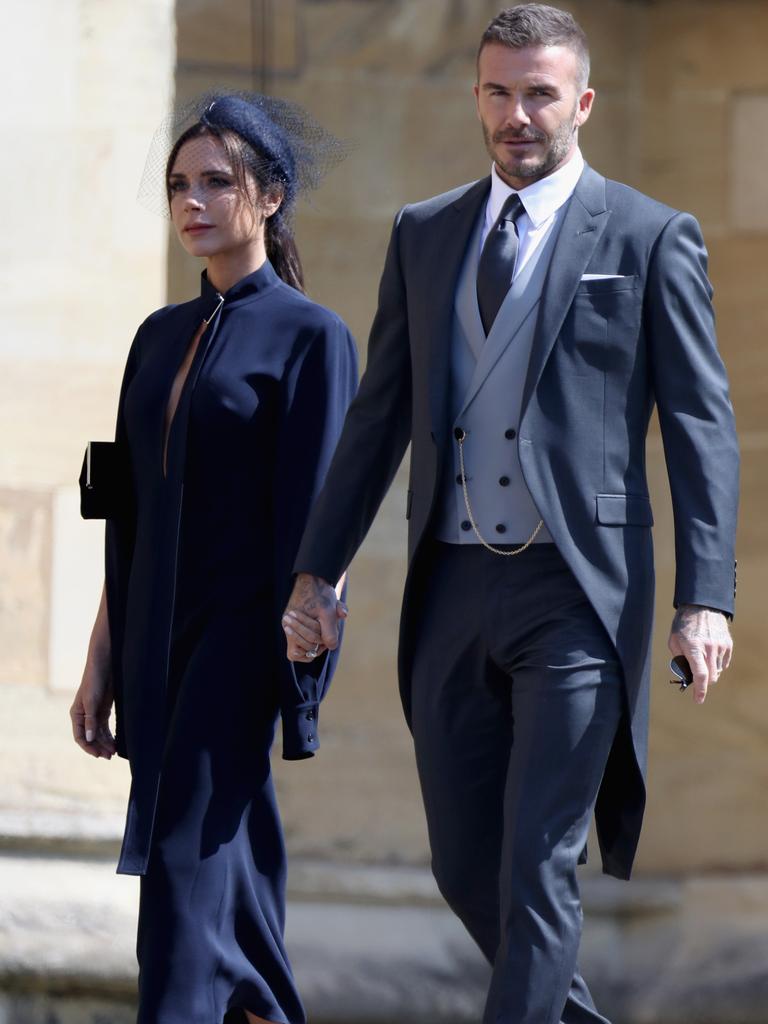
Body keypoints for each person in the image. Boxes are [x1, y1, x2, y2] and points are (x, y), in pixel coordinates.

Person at [282, 5, 739, 1023]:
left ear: (582, 100)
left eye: (539, 93)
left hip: (577, 591)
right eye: (498, 91)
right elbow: (378, 417)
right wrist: (317, 568)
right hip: (452, 582)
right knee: (462, 859)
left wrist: (706, 599)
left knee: (539, 861)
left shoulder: (651, 236)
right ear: (477, 96)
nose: (517, 114)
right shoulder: (425, 232)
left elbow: (703, 427)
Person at [70, 92, 357, 1024]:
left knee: (184, 881)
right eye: (178, 185)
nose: (192, 201)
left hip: (240, 644)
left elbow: (326, 519)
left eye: (216, 182)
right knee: (223, 885)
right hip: (154, 646)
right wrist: (99, 661)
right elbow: (127, 515)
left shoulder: (313, 337)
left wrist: (308, 639)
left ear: (269, 196)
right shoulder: (156, 338)